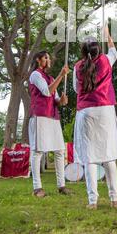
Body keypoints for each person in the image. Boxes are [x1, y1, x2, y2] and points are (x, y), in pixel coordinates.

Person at [73, 27, 117, 209]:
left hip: (86, 112)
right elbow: (114, 51)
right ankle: (114, 198)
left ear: (83, 50)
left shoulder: (77, 66)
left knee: (90, 157)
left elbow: (76, 89)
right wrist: (108, 33)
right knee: (108, 155)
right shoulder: (106, 60)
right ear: (97, 49)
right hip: (105, 110)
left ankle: (92, 201)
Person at [29, 50, 71, 197]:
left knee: (60, 151)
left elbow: (56, 99)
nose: (48, 60)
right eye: (45, 57)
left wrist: (62, 101)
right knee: (38, 151)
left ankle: (61, 185)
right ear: (38, 60)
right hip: (39, 116)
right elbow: (47, 92)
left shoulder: (51, 77)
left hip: (53, 117)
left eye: (49, 57)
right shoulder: (35, 75)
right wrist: (61, 75)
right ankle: (37, 188)